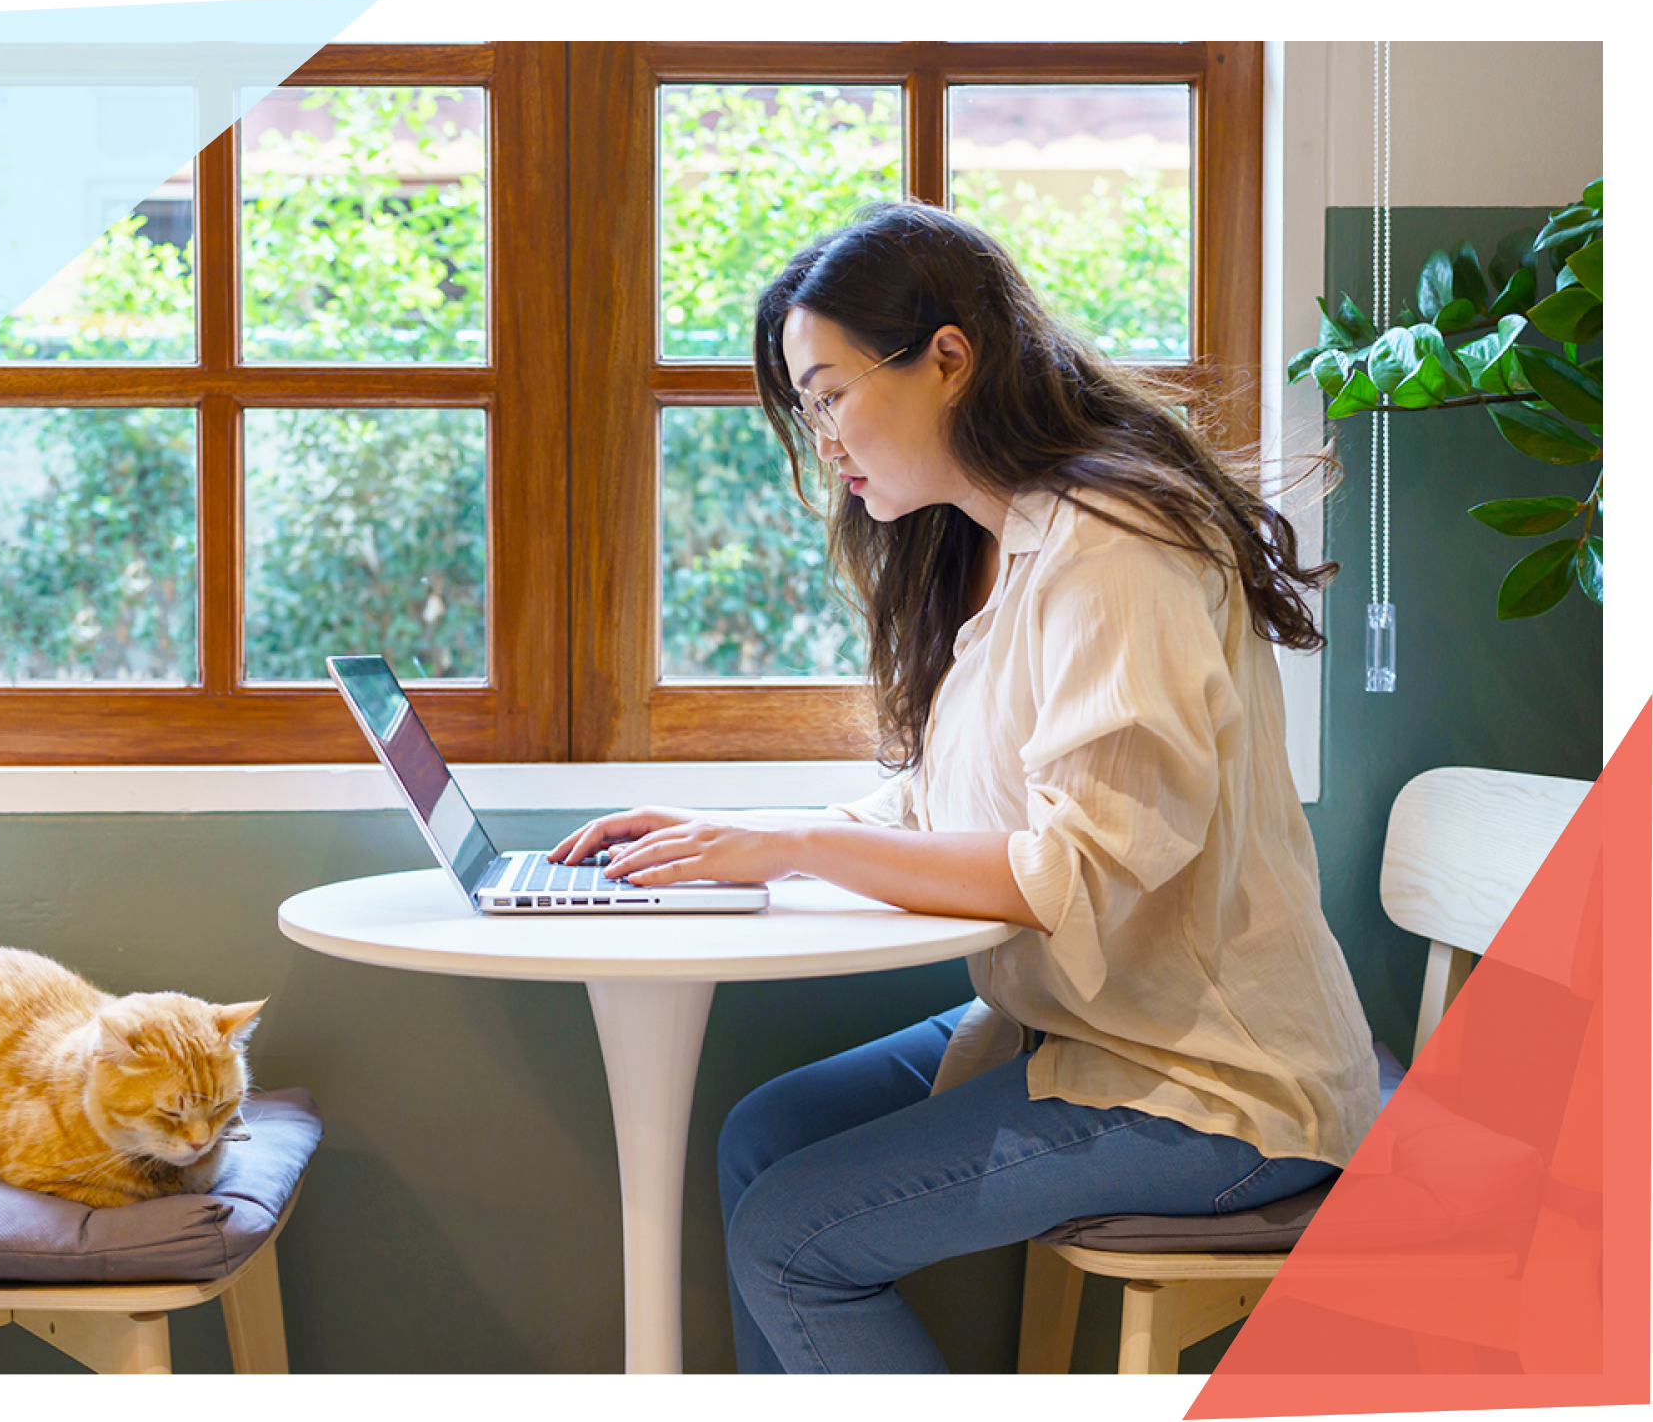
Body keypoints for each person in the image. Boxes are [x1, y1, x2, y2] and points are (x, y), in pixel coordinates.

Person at [546, 200, 1379, 1374]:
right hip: (1083, 1028)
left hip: (1215, 1087)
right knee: (762, 1135)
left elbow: (1074, 865)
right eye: (808, 406)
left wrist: (791, 854)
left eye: (829, 393)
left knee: (793, 1238)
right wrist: (745, 834)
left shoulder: (1117, 541)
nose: (821, 438)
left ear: (948, 358)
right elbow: (956, 800)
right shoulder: (992, 544)